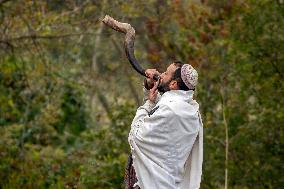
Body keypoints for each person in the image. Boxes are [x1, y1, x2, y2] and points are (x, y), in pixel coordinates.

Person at [125, 61, 203, 189]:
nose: (160, 75)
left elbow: (136, 136)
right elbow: (159, 111)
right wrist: (149, 87)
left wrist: (148, 104)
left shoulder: (170, 110)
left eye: (166, 73)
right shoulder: (190, 110)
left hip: (151, 183)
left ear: (173, 84)